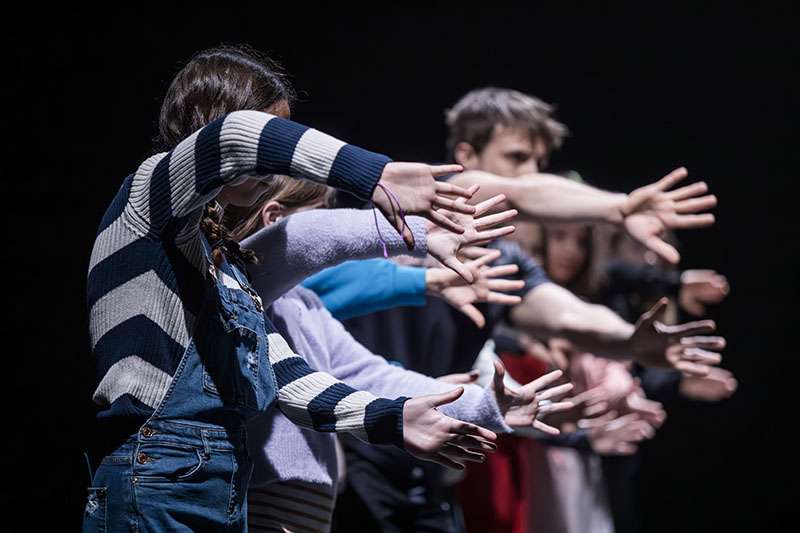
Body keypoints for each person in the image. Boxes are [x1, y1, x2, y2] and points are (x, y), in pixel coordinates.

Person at [84, 45, 496, 532]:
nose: (276, 175)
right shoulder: (146, 199)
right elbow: (237, 135)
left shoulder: (226, 269)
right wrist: (374, 175)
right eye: (274, 145)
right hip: (155, 467)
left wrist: (395, 418)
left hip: (216, 478)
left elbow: (292, 379)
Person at [219, 180, 574, 531]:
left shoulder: (304, 305)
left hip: (310, 509)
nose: (332, 223)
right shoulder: (238, 292)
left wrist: (484, 405)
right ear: (273, 219)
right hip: (255, 503)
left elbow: (372, 375)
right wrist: (413, 234)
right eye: (324, 214)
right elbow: (306, 237)